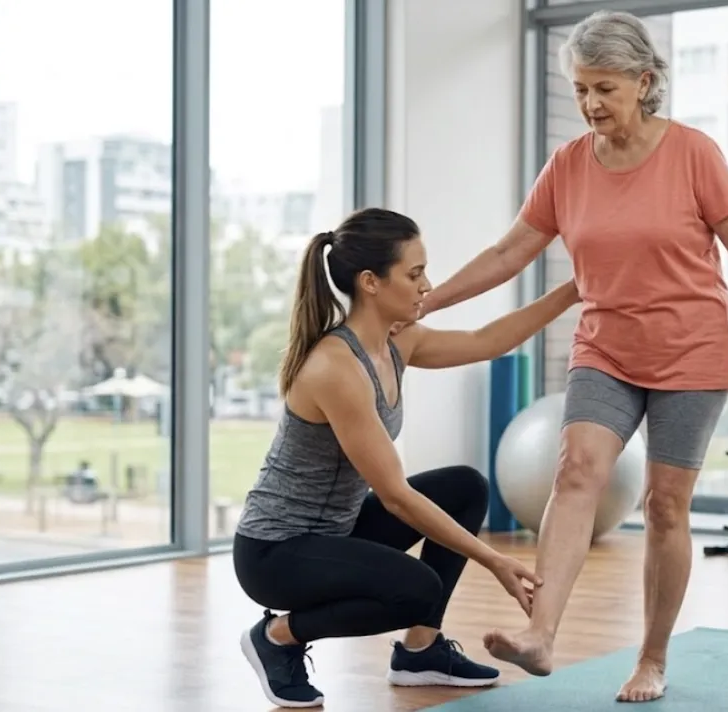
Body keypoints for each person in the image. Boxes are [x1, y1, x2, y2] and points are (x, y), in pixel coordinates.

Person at [414, 10, 728, 704]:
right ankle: (541, 634)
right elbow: (508, 252)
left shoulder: (693, 154)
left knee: (665, 507)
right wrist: (431, 302)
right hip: (605, 346)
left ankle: (652, 656)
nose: (590, 105)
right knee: (576, 469)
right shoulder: (568, 165)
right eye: (582, 89)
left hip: (690, 351)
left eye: (605, 88)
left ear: (644, 82)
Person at [232, 207, 581, 709]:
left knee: (466, 485)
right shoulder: (335, 366)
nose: (427, 285)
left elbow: (488, 341)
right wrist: (494, 560)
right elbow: (396, 496)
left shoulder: (397, 341)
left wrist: (573, 290)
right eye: (415, 274)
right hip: (275, 553)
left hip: (333, 531)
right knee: (416, 588)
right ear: (371, 282)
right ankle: (278, 637)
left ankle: (421, 653)